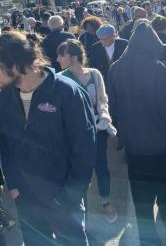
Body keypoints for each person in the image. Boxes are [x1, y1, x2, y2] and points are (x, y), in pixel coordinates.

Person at [0, 31, 96, 246]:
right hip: (26, 201)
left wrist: (69, 198)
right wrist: (14, 186)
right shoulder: (4, 97)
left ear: (14, 64)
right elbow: (5, 146)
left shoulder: (67, 92)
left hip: (64, 201)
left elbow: (85, 150)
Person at [108, 22, 166, 246]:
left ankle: (149, 240)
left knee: (142, 200)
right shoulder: (157, 68)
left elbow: (113, 109)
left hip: (134, 147)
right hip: (161, 144)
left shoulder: (116, 68)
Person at [57, 39, 118, 223]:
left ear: (74, 56)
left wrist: (105, 116)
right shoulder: (61, 78)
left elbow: (102, 99)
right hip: (73, 135)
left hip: (97, 130)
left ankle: (105, 202)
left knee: (101, 167)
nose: (58, 58)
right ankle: (80, 208)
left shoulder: (95, 74)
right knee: (77, 171)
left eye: (62, 54)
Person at [89, 24, 128, 88]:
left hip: (123, 81)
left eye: (104, 39)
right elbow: (93, 66)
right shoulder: (95, 48)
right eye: (100, 39)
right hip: (105, 83)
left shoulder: (124, 44)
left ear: (113, 36)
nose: (101, 41)